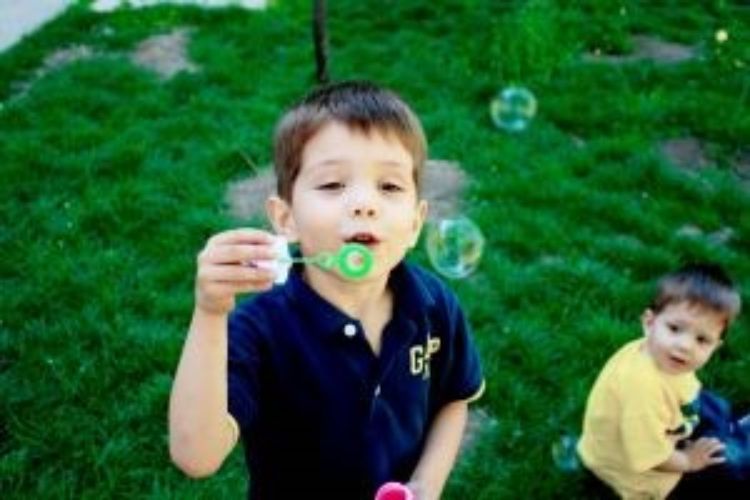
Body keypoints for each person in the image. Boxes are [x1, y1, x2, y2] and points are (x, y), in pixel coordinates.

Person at [168, 81, 485, 499]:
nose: (363, 203)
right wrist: (210, 313)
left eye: (389, 187)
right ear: (286, 219)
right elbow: (196, 456)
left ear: (414, 223)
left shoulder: (433, 304)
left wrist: (426, 485)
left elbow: (454, 398)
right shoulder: (259, 330)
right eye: (333, 185)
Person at [577, 263, 750, 499]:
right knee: (733, 469)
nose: (685, 346)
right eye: (675, 328)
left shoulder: (659, 354)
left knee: (718, 407)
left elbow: (684, 389)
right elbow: (651, 457)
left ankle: (730, 431)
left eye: (702, 340)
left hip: (668, 424)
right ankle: (733, 436)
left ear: (715, 347)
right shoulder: (641, 390)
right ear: (649, 323)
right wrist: (689, 461)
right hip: (639, 474)